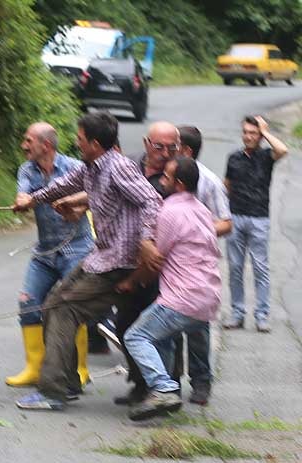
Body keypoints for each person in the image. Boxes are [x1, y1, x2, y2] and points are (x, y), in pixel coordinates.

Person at [12, 112, 162, 411]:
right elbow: (64, 185)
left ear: (94, 143)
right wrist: (33, 199)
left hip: (121, 261)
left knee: (62, 308)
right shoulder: (91, 168)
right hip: (101, 256)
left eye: (80, 139)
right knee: (54, 301)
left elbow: (151, 200)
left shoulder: (119, 167)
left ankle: (53, 391)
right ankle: (67, 384)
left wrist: (146, 240)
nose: (76, 143)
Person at [119, 157, 221, 420]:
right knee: (161, 338)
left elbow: (154, 260)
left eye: (166, 177)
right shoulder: (200, 209)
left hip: (182, 299)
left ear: (179, 184)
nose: (161, 181)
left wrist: (130, 281)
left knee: (136, 337)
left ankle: (162, 388)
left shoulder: (169, 212)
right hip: (208, 298)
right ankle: (164, 397)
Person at [6, 123, 95, 391]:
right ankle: (34, 368)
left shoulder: (75, 168)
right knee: (28, 302)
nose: (24, 145)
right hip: (44, 252)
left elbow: (94, 194)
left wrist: (78, 209)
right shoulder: (26, 169)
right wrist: (22, 201)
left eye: (28, 140)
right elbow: (23, 193)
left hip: (77, 248)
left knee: (71, 307)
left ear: (45, 145)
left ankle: (79, 369)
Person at [113, 121, 184, 407]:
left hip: (164, 267)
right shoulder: (130, 167)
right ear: (146, 144)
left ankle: (170, 387)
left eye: (172, 147)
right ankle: (141, 383)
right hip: (129, 262)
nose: (165, 153)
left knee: (163, 330)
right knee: (125, 325)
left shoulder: (178, 177)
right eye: (159, 146)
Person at [177, 125, 232, 405]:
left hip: (198, 265)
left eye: (174, 145)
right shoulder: (167, 177)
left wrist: (196, 229)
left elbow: (226, 222)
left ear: (186, 150)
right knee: (168, 322)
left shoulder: (208, 181)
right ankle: (168, 383)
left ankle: (201, 381)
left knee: (197, 325)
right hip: (171, 262)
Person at [223, 116, 288, 333]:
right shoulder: (233, 158)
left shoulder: (266, 156)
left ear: (260, 136)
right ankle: (237, 313)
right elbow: (227, 187)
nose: (249, 137)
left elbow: (283, 150)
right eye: (246, 132)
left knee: (260, 268)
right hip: (236, 217)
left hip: (259, 219)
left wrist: (266, 131)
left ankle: (261, 314)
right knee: (235, 268)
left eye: (253, 133)